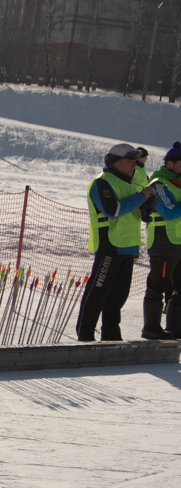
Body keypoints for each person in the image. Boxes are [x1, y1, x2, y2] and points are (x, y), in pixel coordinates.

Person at [76, 143, 154, 341]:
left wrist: (147, 205)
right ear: (116, 162)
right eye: (129, 161)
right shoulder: (102, 182)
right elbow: (112, 210)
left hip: (128, 246)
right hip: (109, 245)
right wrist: (141, 197)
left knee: (119, 295)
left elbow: (141, 215)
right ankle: (85, 334)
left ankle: (111, 334)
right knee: (98, 291)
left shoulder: (130, 184)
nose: (133, 165)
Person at [141, 142, 181, 340]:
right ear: (170, 164)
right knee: (159, 286)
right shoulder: (159, 183)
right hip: (163, 242)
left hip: (179, 242)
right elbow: (170, 211)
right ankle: (151, 328)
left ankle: (175, 329)